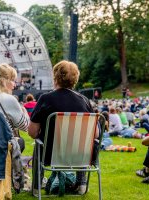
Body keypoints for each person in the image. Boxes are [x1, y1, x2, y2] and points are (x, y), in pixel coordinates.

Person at [28, 60, 95, 195]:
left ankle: (36, 186)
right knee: (83, 143)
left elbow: (33, 132)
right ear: (75, 79)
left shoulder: (45, 99)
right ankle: (81, 184)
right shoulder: (85, 100)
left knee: (38, 144)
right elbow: (96, 133)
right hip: (79, 154)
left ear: (56, 77)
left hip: (51, 154)